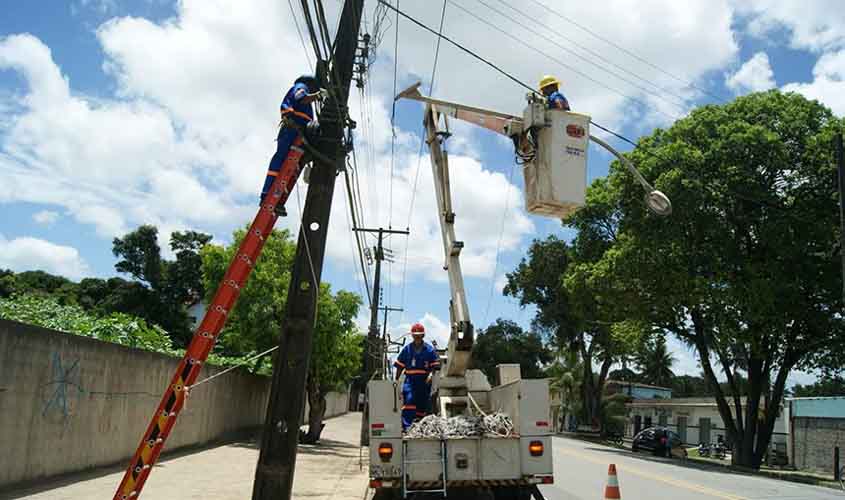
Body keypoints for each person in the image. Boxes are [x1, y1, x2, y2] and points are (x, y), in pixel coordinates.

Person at [260, 75, 322, 215]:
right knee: (281, 160)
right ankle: (267, 196)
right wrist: (318, 95)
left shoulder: (307, 103)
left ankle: (277, 200)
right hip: (291, 130)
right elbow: (301, 97)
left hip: (297, 134)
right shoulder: (301, 87)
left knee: (290, 166)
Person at [394, 323, 440, 430]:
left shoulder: (429, 350)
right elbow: (400, 366)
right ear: (412, 336)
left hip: (424, 381)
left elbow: (434, 367)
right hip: (410, 380)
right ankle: (407, 426)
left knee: (422, 404)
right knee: (409, 400)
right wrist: (396, 380)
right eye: (415, 335)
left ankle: (419, 426)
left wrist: (430, 375)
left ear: (423, 335)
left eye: (419, 335)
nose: (417, 337)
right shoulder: (407, 349)